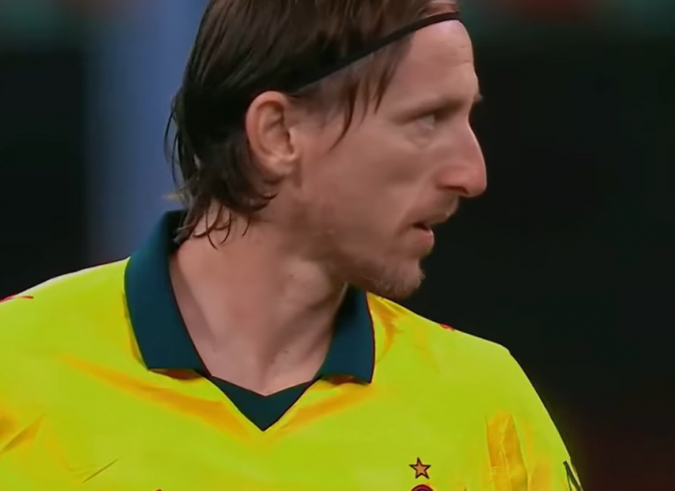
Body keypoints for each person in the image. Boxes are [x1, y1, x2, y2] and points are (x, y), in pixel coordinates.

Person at [0, 0, 581, 489]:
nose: (471, 174)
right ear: (278, 133)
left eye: (466, 118)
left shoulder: (484, 404)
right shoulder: (15, 369)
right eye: (428, 119)